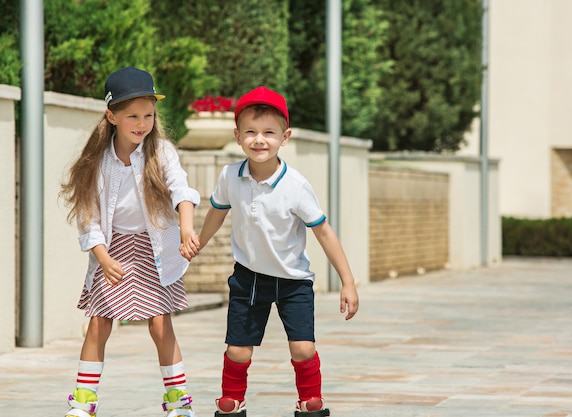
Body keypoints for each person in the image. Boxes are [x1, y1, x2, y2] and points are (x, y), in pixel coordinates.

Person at [185, 86, 359, 416]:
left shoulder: (295, 185)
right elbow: (217, 213)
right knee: (238, 350)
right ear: (237, 136)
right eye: (250, 132)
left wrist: (347, 281)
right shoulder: (229, 176)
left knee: (303, 347)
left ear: (285, 137)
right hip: (248, 278)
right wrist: (198, 242)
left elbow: (323, 231)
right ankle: (232, 398)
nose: (259, 140)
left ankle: (310, 398)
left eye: (269, 133)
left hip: (293, 281)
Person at [59, 67, 201, 417]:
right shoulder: (97, 162)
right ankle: (84, 401)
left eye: (149, 115)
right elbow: (88, 218)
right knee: (99, 321)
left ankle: (177, 401)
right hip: (112, 249)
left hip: (154, 247)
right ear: (111, 116)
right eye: (133, 116)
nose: (142, 124)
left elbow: (181, 188)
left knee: (160, 321)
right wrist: (102, 257)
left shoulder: (162, 152)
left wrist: (186, 227)